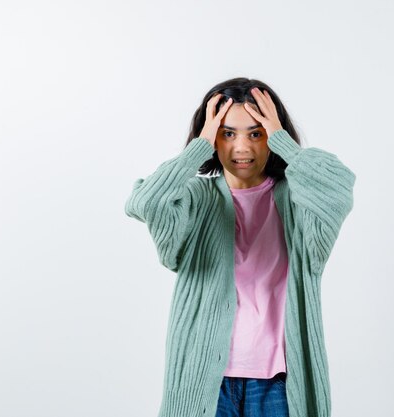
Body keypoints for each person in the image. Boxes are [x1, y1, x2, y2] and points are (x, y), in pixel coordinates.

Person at [124, 77, 356, 417]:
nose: (242, 148)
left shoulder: (298, 200)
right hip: (205, 382)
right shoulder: (195, 198)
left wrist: (286, 144)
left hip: (280, 383)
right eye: (228, 133)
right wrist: (199, 146)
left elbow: (337, 190)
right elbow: (144, 201)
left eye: (256, 133)